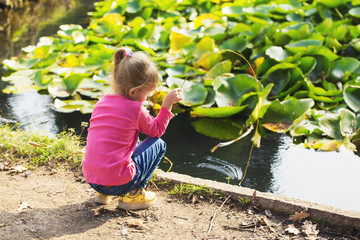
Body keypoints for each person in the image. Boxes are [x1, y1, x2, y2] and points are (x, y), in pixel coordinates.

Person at [82, 47, 183, 210]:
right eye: (148, 94)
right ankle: (133, 194)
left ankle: (103, 195)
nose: (148, 98)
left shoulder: (101, 102)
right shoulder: (135, 109)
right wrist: (167, 105)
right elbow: (156, 130)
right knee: (158, 144)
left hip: (93, 180)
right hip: (119, 183)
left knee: (127, 143)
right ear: (134, 92)